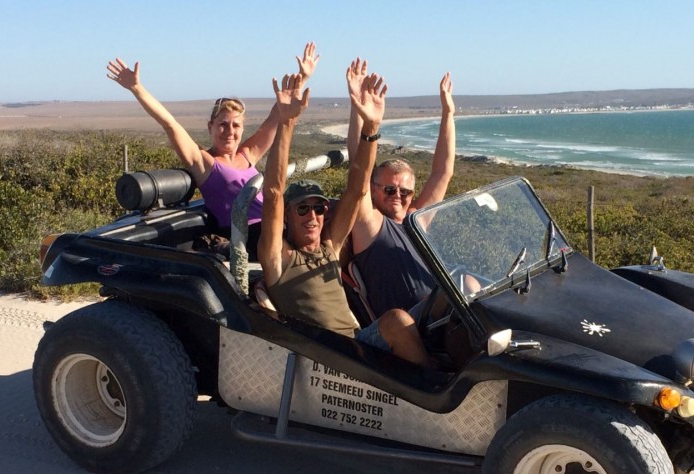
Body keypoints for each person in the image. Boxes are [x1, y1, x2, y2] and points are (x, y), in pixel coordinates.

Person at [257, 65, 430, 366]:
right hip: (331, 358)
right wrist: (286, 124)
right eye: (302, 208)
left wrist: (371, 128)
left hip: (359, 346)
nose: (312, 215)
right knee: (396, 321)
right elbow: (272, 192)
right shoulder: (278, 259)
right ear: (288, 217)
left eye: (319, 208)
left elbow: (357, 189)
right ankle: (434, 399)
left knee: (444, 306)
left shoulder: (330, 249)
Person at [106, 43, 320, 257]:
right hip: (251, 236)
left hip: (277, 226)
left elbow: (279, 114)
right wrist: (137, 88)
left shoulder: (248, 154)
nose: (229, 131)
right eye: (222, 124)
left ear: (242, 129)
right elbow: (170, 124)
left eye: (235, 125)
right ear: (211, 127)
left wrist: (303, 77)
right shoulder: (205, 162)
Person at [345, 61, 456, 317]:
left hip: (442, 317)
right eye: (389, 189)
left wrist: (448, 114)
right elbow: (358, 169)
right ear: (374, 190)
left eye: (404, 192)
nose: (397, 196)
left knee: (472, 286)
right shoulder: (371, 225)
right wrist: (359, 109)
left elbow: (442, 172)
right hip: (411, 325)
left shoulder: (416, 220)